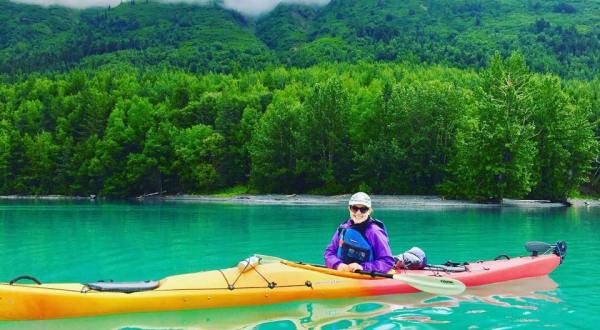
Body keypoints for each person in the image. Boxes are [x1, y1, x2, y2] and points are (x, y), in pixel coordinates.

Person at [324, 192, 395, 273]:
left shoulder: (375, 232)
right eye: (354, 208)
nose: (358, 213)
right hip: (342, 273)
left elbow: (387, 262)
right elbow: (329, 253)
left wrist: (362, 267)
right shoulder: (343, 228)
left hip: (366, 277)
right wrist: (337, 264)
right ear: (349, 209)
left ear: (369, 211)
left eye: (363, 209)